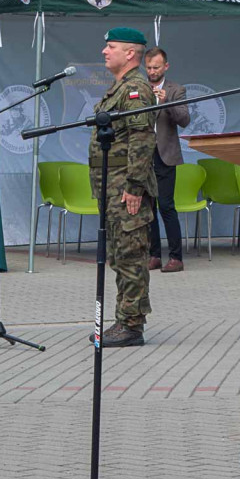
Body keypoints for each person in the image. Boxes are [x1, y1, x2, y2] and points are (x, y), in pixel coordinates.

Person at [89, 27, 157, 348]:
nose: (105, 51)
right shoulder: (119, 88)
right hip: (111, 188)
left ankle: (131, 325)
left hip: (126, 189)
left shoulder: (135, 90)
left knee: (130, 255)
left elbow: (141, 140)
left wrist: (134, 186)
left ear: (130, 53)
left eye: (111, 46)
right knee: (119, 254)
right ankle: (122, 319)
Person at [144, 47, 190, 273]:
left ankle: (176, 257)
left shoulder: (176, 90)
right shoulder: (138, 88)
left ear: (166, 67)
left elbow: (185, 120)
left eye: (156, 67)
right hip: (143, 155)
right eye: (149, 68)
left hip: (165, 155)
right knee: (148, 206)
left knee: (166, 206)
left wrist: (167, 103)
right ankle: (153, 255)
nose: (152, 72)